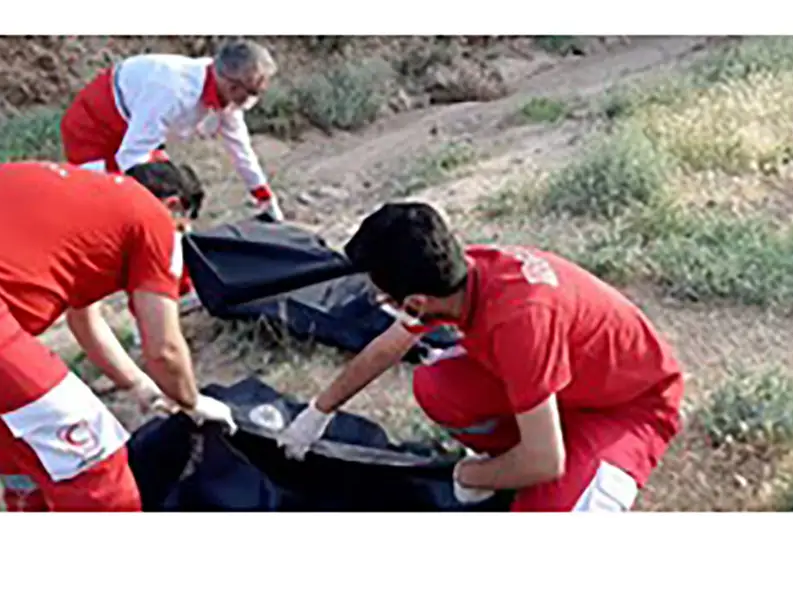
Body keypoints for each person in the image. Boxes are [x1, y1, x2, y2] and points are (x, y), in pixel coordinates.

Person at [274, 202, 686, 512]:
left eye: (383, 297)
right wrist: (318, 411)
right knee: (436, 385)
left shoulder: (519, 322)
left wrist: (470, 474)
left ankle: (541, 463)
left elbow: (547, 461)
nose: (382, 302)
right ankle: (522, 451)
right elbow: (388, 346)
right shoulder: (462, 274)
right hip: (565, 387)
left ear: (415, 302)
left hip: (628, 408)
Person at [0, 160, 236, 512]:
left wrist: (141, 387)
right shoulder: (153, 218)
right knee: (96, 464)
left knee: (25, 451)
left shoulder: (85, 204)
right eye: (182, 228)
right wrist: (192, 402)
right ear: (174, 205)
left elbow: (85, 321)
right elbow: (164, 348)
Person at [60, 39, 284, 221]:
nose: (253, 101)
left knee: (182, 193)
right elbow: (131, 158)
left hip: (136, 123)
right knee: (117, 199)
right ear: (232, 86)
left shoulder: (224, 90)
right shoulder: (173, 93)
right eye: (253, 93)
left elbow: (240, 148)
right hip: (94, 126)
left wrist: (263, 195)